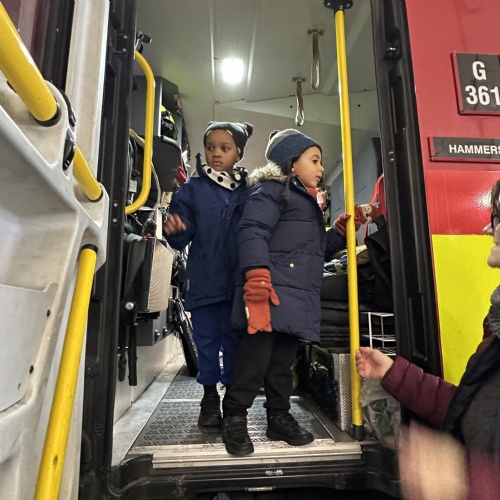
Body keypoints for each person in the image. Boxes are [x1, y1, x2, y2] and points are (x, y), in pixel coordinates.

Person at [222, 129, 375, 456]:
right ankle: (234, 417)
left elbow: (315, 250)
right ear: (291, 163)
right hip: (268, 290)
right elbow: (252, 231)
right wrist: (257, 277)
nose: (321, 168)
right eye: (315, 160)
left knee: (283, 363)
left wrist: (341, 231)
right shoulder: (272, 190)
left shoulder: (305, 201)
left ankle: (278, 416)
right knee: (254, 359)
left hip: (293, 296)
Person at [355, 179, 500, 500]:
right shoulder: (496, 323)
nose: (487, 229)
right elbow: (469, 407)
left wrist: (463, 482)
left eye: (497, 217)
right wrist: (394, 372)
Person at [163, 121, 253, 427]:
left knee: (235, 343)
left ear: (238, 153)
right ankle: (209, 397)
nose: (216, 153)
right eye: (211, 147)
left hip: (239, 285)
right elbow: (179, 238)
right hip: (204, 281)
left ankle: (232, 400)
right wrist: (175, 229)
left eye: (225, 148)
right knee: (206, 343)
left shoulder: (250, 191)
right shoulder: (192, 189)